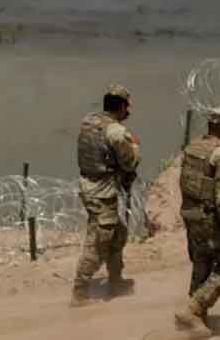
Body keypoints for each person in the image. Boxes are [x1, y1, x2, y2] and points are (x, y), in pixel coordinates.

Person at [71, 84, 141, 306]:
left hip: (89, 185)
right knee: (99, 242)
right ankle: (80, 291)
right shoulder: (116, 132)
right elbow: (129, 162)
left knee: (117, 234)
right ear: (121, 107)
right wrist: (135, 148)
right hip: (102, 192)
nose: (128, 111)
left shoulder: (89, 121)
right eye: (127, 107)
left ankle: (115, 279)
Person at [175, 109, 220, 338]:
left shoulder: (193, 148)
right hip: (209, 220)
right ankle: (193, 311)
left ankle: (195, 320)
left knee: (200, 263)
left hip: (190, 216)